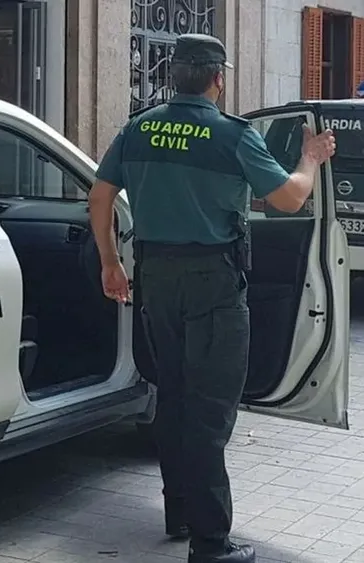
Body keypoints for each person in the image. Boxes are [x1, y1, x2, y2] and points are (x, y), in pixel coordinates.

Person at [88, 34, 335, 563]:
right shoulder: (232, 135)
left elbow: (101, 195)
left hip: (155, 279)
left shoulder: (139, 127)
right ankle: (211, 543)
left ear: (173, 75)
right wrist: (310, 158)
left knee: (174, 399)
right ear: (218, 78)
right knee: (209, 412)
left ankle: (179, 509)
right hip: (214, 287)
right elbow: (290, 200)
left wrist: (111, 261)